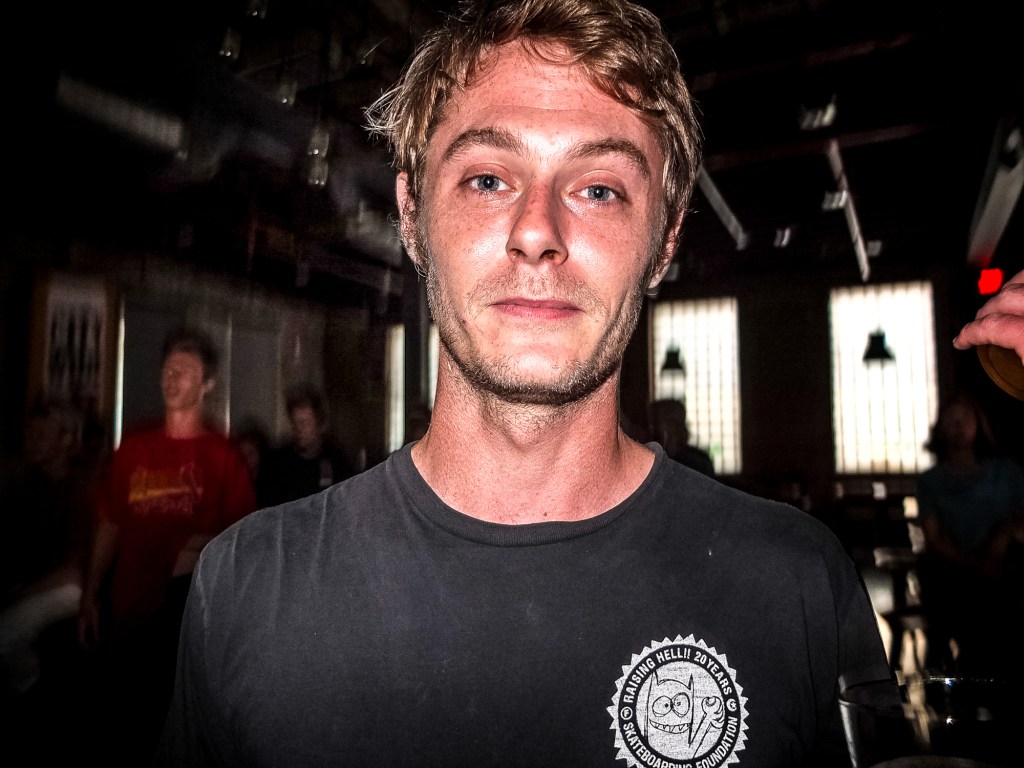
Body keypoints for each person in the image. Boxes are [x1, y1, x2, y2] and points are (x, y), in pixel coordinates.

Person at [156, 2, 892, 765]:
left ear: (665, 238)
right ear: (411, 215)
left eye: (599, 189)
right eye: (486, 179)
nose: (537, 231)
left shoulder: (797, 586)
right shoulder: (245, 588)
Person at [78, 326, 256, 766]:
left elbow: (244, 539)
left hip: (182, 623)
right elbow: (110, 520)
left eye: (185, 370)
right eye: (168, 368)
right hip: (126, 609)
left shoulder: (222, 457)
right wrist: (91, 594)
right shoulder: (134, 447)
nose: (172, 377)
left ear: (207, 383)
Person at [915, 390, 1024, 675]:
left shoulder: (1007, 473)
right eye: (951, 419)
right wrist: (975, 565)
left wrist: (1002, 541)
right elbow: (933, 538)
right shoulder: (930, 481)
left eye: (965, 417)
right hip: (955, 573)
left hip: (1006, 570)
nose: (959, 425)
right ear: (940, 429)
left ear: (979, 423)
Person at [0, 399, 92, 699]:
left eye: (41, 435)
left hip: (73, 585)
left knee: (5, 634)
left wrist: (21, 593)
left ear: (65, 440)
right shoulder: (27, 485)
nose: (31, 442)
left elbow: (74, 570)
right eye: (29, 434)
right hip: (39, 581)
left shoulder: (82, 487)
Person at [260, 381, 357, 506]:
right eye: (295, 423)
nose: (299, 429)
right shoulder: (277, 462)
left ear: (319, 424)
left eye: (305, 423)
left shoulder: (336, 460)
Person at [646, 397, 716, 476]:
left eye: (679, 423)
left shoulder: (700, 461)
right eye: (670, 422)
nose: (675, 428)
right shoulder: (647, 459)